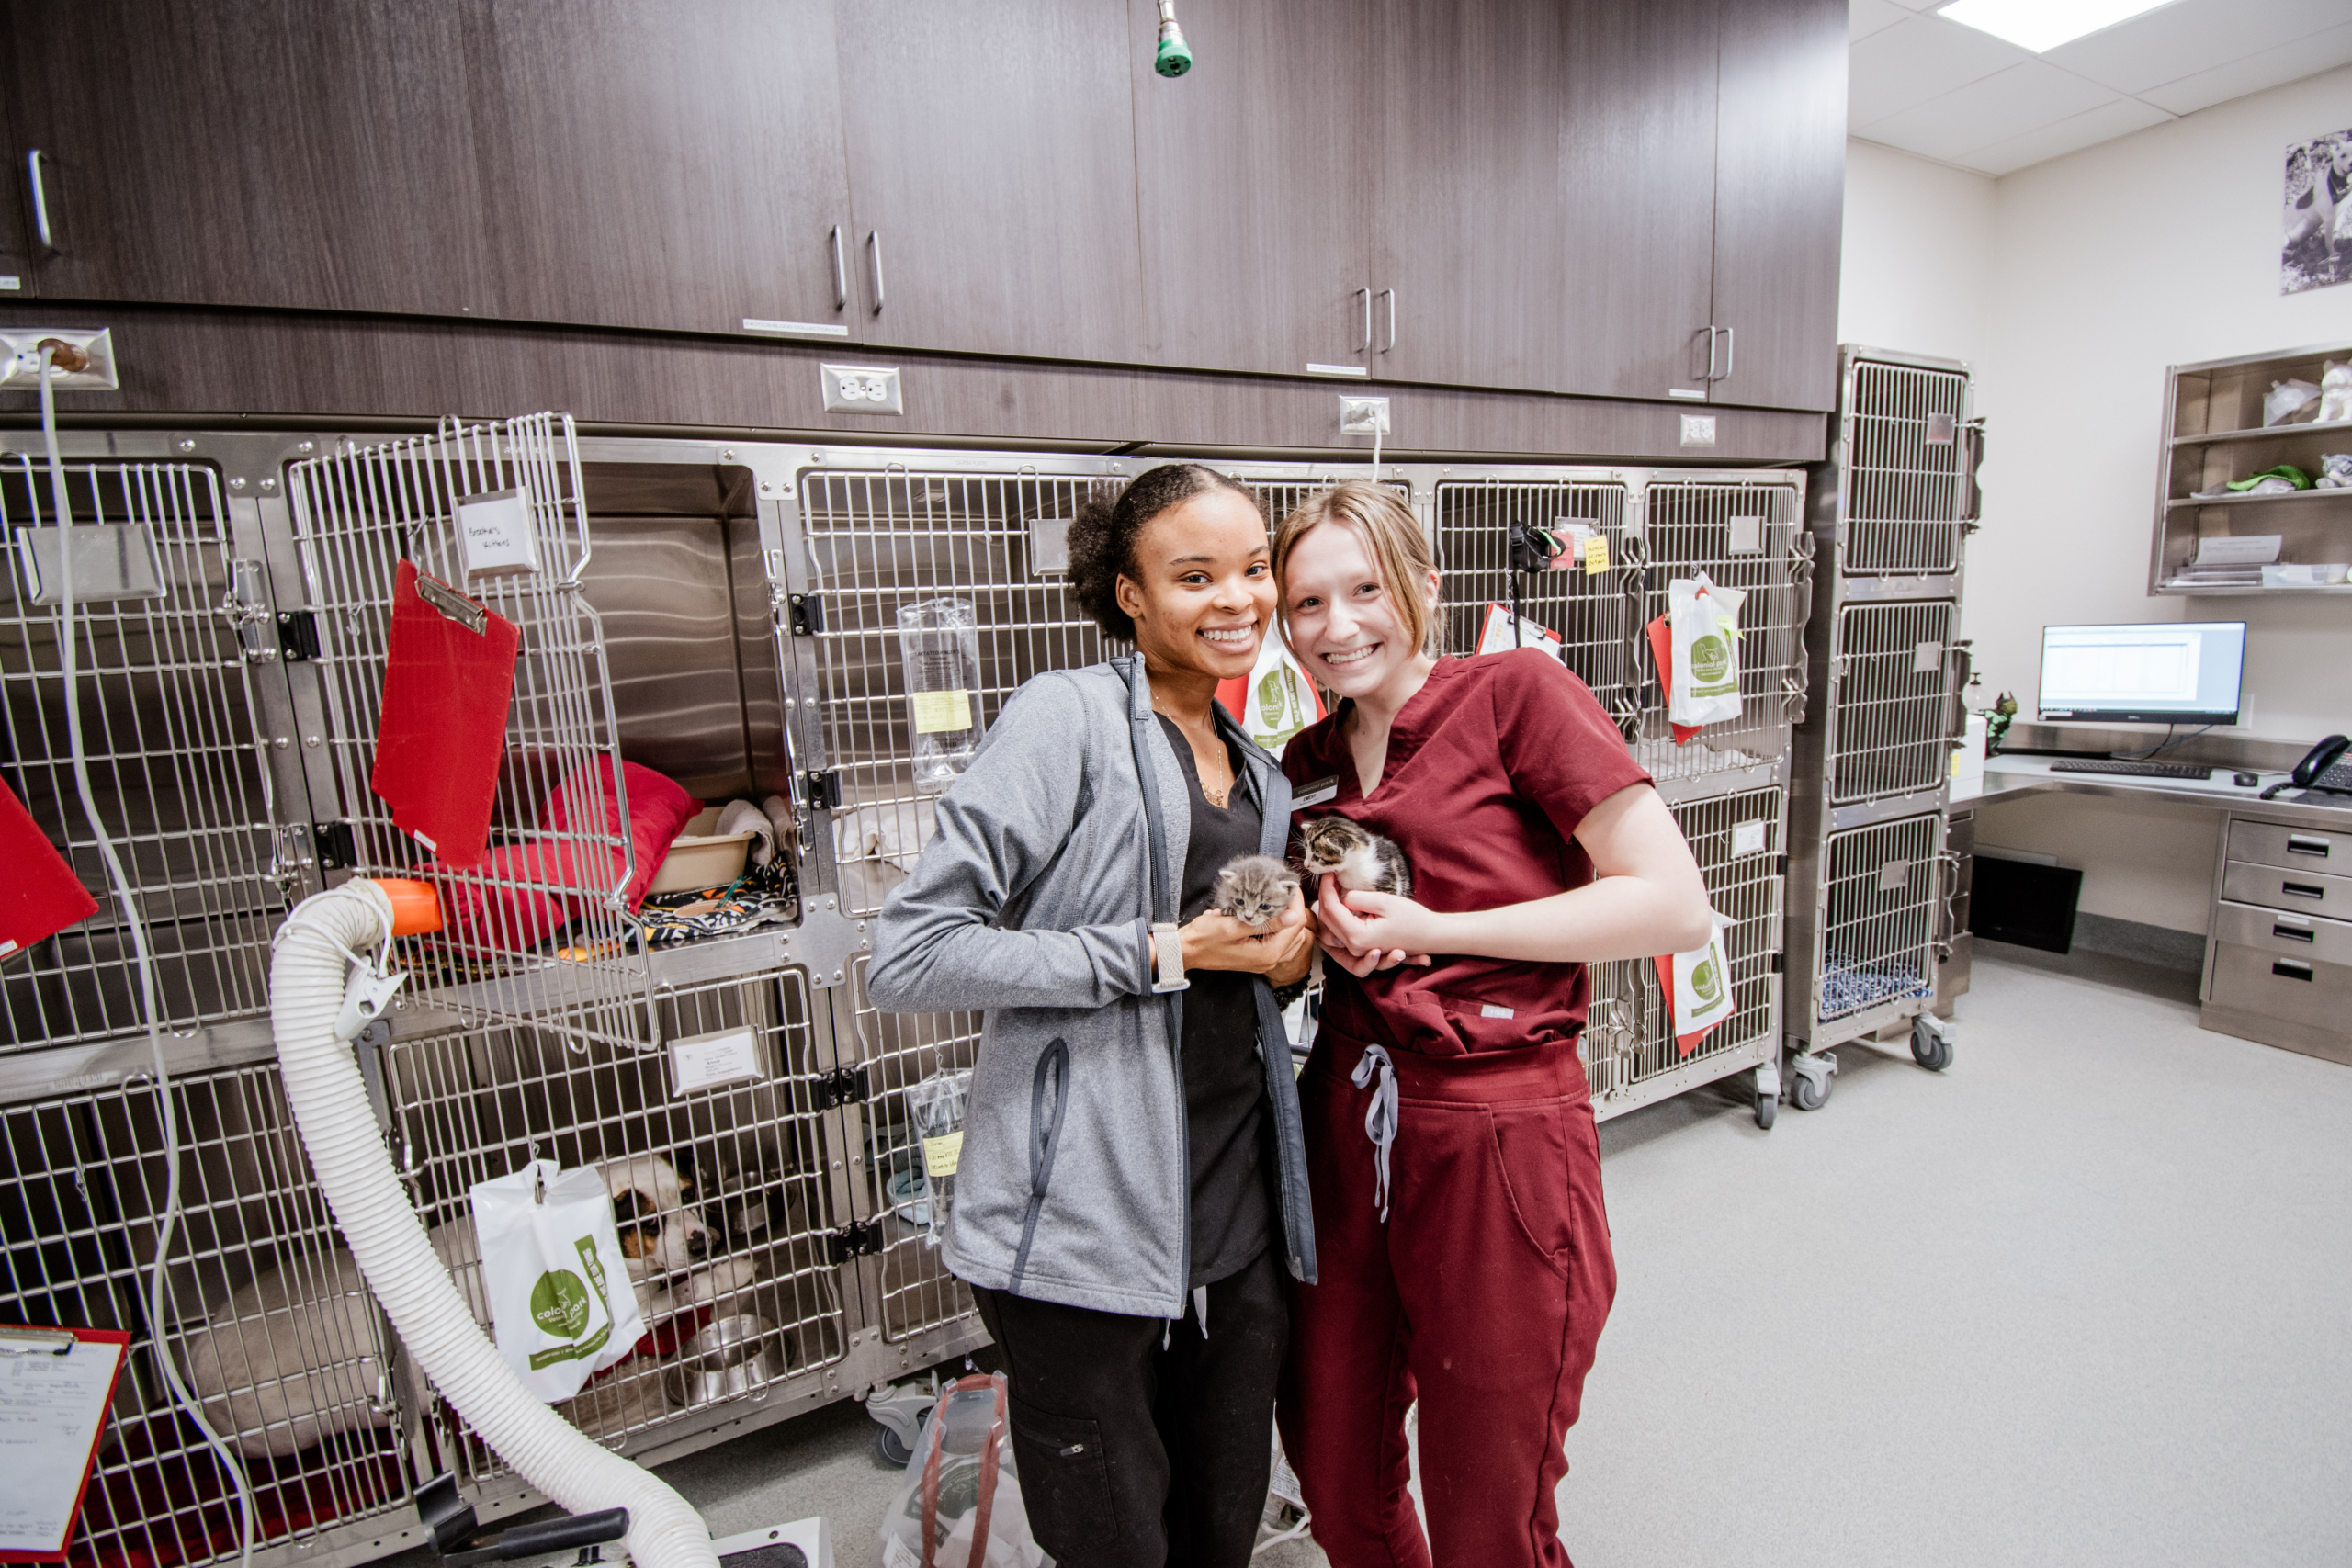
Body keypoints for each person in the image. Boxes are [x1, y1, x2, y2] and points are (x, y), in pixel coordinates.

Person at [868, 462, 1319, 1568]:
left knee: (1219, 1520)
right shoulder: (1066, 717)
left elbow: (1241, 968)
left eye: (1255, 569)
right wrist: (1161, 949)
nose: (1238, 601)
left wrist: (1287, 968)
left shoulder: (1260, 771)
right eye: (1194, 576)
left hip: (1232, 1204)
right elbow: (910, 954)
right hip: (1075, 1219)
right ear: (1130, 595)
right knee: (1113, 1536)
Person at [1268, 481, 1713, 1568]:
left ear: (1424, 585)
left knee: (1486, 1505)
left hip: (1496, 1129)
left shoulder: (1517, 694)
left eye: (1365, 590)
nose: (1337, 627)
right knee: (1332, 1461)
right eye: (1307, 604)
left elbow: (1672, 903)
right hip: (1345, 1114)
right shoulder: (1306, 766)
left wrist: (1437, 926)